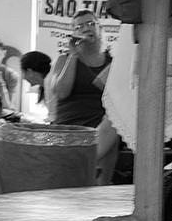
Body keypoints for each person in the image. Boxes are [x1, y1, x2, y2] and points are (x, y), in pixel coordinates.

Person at [47, 10, 118, 184]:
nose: (86, 28)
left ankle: (90, 173)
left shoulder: (112, 63)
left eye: (91, 23)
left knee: (114, 122)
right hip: (70, 126)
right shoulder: (64, 59)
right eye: (79, 27)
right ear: (74, 33)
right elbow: (61, 92)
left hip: (101, 128)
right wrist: (73, 55)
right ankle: (82, 167)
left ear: (100, 29)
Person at [20, 50, 54, 122]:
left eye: (23, 72)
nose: (23, 78)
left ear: (29, 71)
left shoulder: (50, 83)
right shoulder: (46, 84)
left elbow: (54, 117)